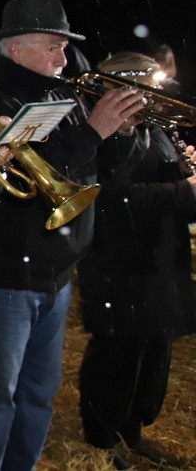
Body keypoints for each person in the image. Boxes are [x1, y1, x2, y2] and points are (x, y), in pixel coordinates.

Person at [0, 0, 145, 471]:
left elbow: (101, 169)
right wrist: (93, 132)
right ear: (15, 49)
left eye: (64, 47)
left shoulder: (64, 97)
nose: (64, 58)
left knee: (39, 395)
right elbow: (23, 183)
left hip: (56, 278)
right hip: (2, 280)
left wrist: (121, 133)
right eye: (52, 47)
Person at [77, 52, 195, 469]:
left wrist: (185, 175)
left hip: (159, 258)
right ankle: (103, 437)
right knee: (118, 355)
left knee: (153, 352)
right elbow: (113, 198)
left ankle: (133, 432)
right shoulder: (104, 133)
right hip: (120, 263)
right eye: (149, 86)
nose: (158, 96)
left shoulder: (157, 129)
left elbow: (163, 185)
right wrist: (186, 191)